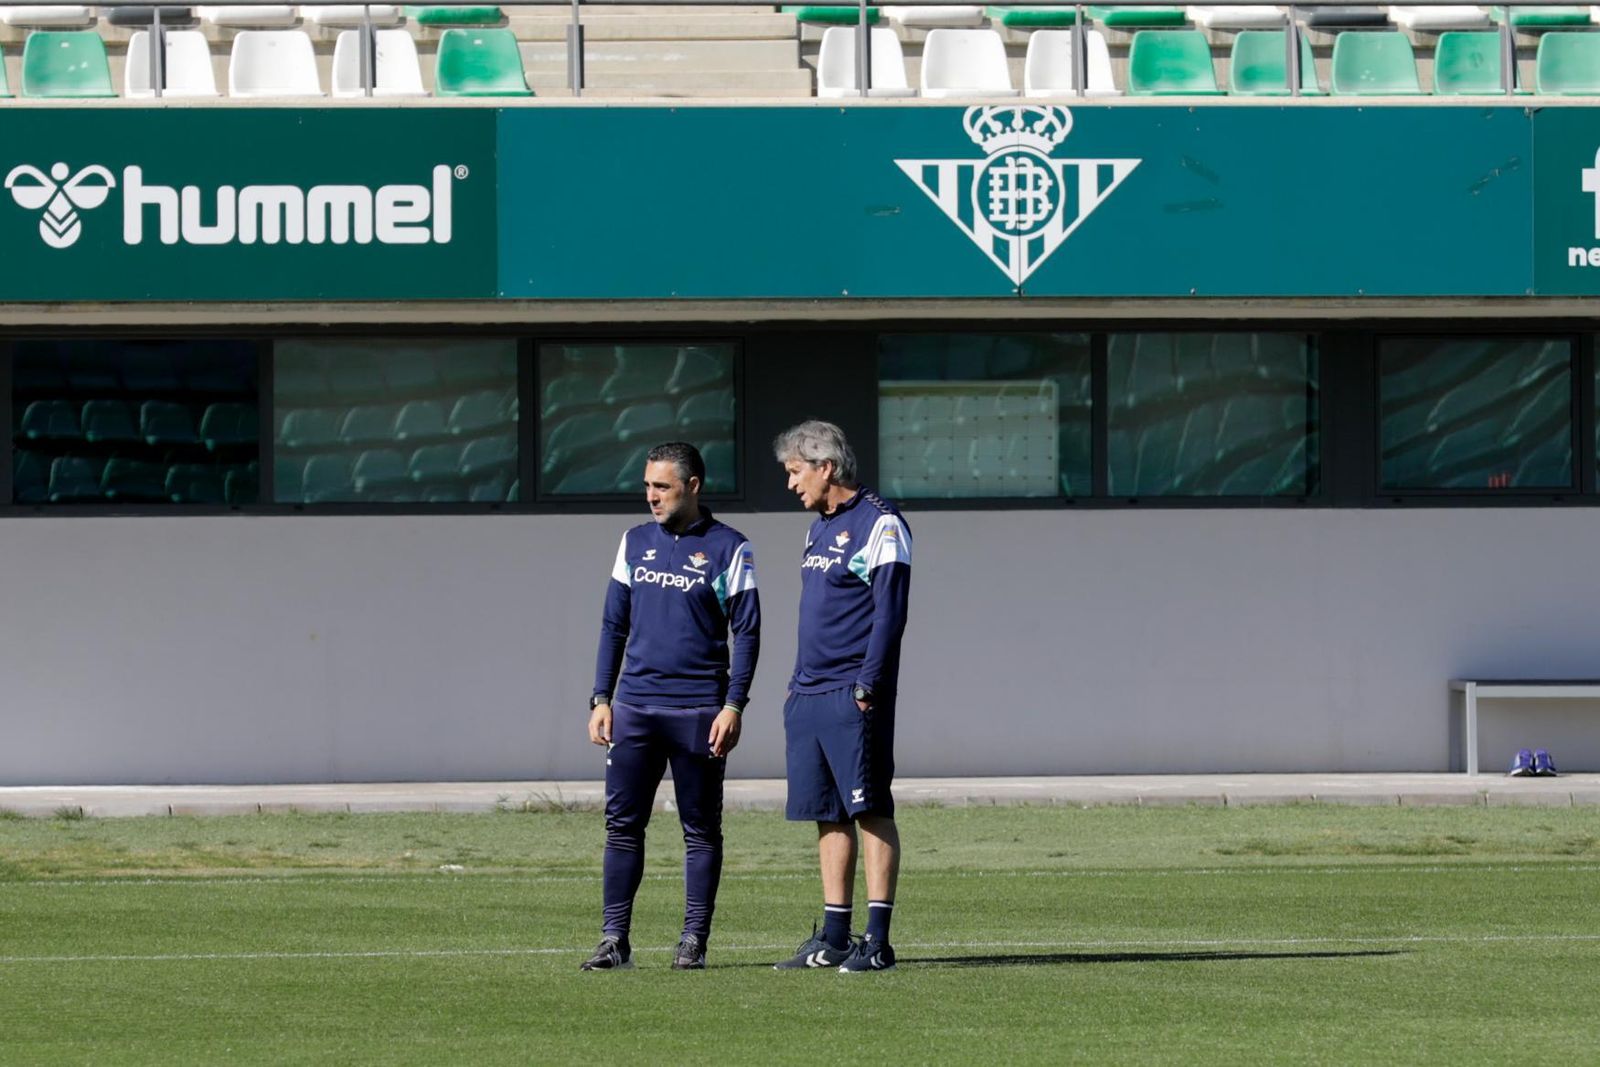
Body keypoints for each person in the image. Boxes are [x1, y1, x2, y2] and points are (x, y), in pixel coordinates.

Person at [582, 441, 760, 971]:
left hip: (699, 711)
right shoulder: (633, 542)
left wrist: (734, 705)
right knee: (621, 826)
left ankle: (693, 941)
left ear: (693, 486)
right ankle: (614, 940)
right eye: (647, 486)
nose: (651, 496)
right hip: (635, 708)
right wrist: (601, 697)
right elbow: (614, 624)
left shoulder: (731, 547)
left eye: (662, 486)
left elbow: (747, 633)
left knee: (701, 829)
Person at [770, 420, 911, 973]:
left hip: (855, 693)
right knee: (827, 815)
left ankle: (876, 942)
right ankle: (833, 936)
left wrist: (866, 686)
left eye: (795, 471)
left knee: (869, 808)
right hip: (808, 692)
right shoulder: (816, 529)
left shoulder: (882, 524)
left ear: (825, 467)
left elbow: (889, 615)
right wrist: (795, 684)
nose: (790, 484)